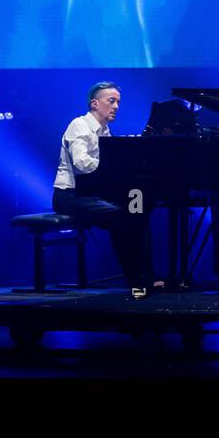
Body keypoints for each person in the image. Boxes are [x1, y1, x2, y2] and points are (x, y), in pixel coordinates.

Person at [52, 82, 153, 298]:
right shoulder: (79, 125)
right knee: (124, 217)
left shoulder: (105, 131)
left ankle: (143, 277)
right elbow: (81, 164)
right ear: (95, 104)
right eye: (112, 101)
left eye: (118, 102)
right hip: (69, 196)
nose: (116, 106)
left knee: (138, 212)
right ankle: (137, 280)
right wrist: (111, 168)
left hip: (89, 193)